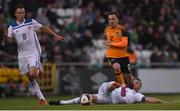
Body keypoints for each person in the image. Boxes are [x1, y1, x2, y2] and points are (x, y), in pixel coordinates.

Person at [3, 4, 64, 106]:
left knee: (32, 74)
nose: (22, 14)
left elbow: (43, 28)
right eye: (19, 13)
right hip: (22, 55)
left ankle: (37, 69)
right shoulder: (12, 27)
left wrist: (55, 35)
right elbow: (9, 41)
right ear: (15, 14)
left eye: (23, 12)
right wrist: (6, 37)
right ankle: (42, 98)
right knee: (31, 79)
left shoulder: (31, 22)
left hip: (33, 52)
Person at [49, 78, 168, 105]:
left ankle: (61, 103)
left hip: (108, 99)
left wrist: (163, 102)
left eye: (137, 82)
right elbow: (118, 87)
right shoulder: (125, 86)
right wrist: (120, 86)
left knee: (85, 97)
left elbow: (148, 99)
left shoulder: (137, 95)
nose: (135, 82)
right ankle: (87, 100)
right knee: (113, 84)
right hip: (109, 90)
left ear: (139, 87)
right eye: (134, 80)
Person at [104, 12, 133, 96]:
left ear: (117, 20)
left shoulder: (122, 29)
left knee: (130, 79)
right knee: (116, 67)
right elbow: (106, 39)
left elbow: (124, 44)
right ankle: (123, 86)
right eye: (109, 19)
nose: (111, 21)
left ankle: (132, 91)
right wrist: (108, 44)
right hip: (111, 55)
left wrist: (111, 44)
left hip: (123, 56)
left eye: (113, 19)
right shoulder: (106, 30)